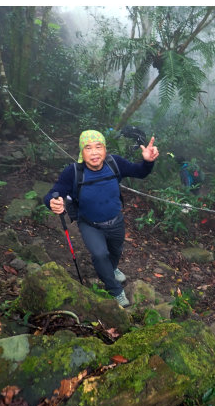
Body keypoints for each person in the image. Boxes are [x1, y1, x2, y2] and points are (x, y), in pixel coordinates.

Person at [44, 130, 159, 308]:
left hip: (116, 221)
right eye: (88, 148)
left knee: (115, 251)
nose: (94, 153)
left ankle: (111, 269)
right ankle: (115, 290)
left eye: (98, 147)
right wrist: (52, 202)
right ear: (82, 152)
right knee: (100, 254)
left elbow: (140, 172)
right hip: (90, 224)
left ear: (105, 149)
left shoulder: (115, 163)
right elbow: (54, 192)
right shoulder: (73, 172)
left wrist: (148, 162)